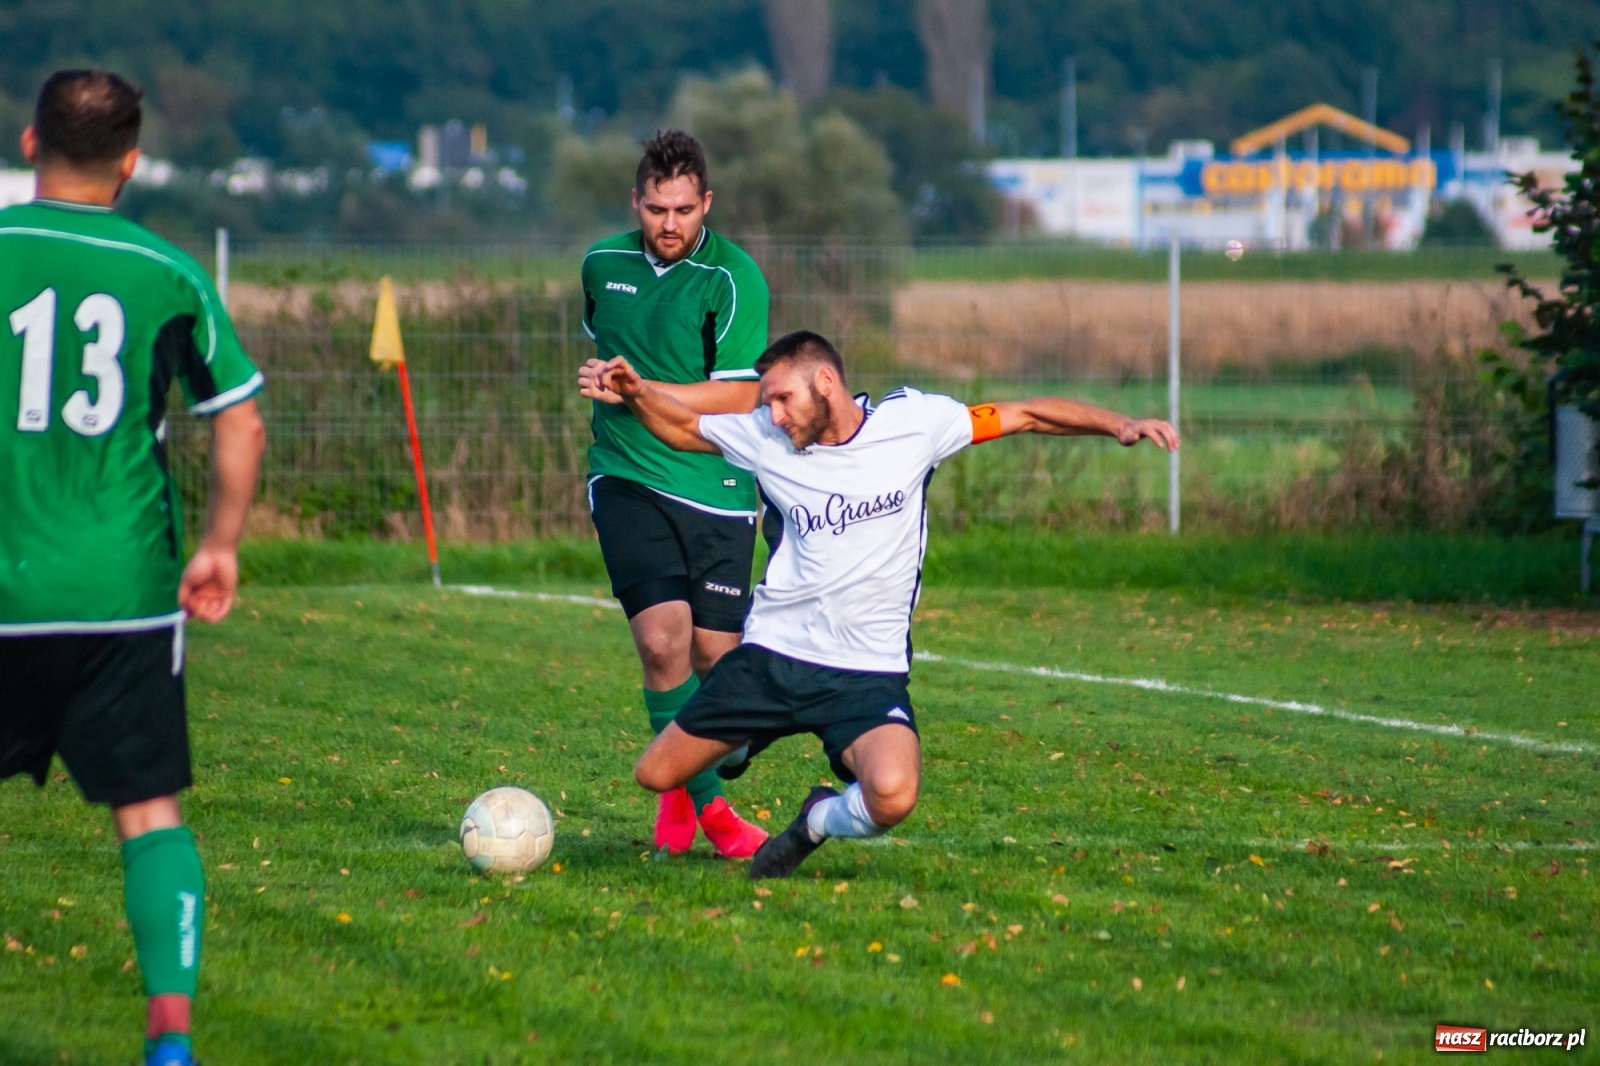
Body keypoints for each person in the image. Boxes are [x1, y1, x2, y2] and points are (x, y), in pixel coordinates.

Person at [578, 330, 1178, 879]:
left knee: (893, 796)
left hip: (866, 673)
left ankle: (816, 820)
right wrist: (635, 393)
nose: (773, 413)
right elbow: (683, 427)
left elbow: (1022, 415)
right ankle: (739, 742)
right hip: (772, 659)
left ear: (826, 382)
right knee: (654, 775)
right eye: (768, 402)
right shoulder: (766, 437)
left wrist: (1117, 424)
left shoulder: (915, 423)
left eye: (783, 398)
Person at [0, 71, 265, 1066]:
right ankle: (169, 1040)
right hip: (120, 590)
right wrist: (219, 543)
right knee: (148, 812)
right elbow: (236, 415)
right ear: (130, 160)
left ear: (31, 141)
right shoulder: (166, 271)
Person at [579, 130, 770, 858]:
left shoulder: (735, 279)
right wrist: (610, 385)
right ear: (636, 202)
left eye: (684, 210)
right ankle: (709, 815)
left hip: (717, 486)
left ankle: (709, 770)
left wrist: (636, 387)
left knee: (720, 667)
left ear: (707, 204)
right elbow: (609, 344)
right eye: (656, 209)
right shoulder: (602, 264)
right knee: (663, 644)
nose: (669, 225)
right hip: (626, 474)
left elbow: (742, 396)